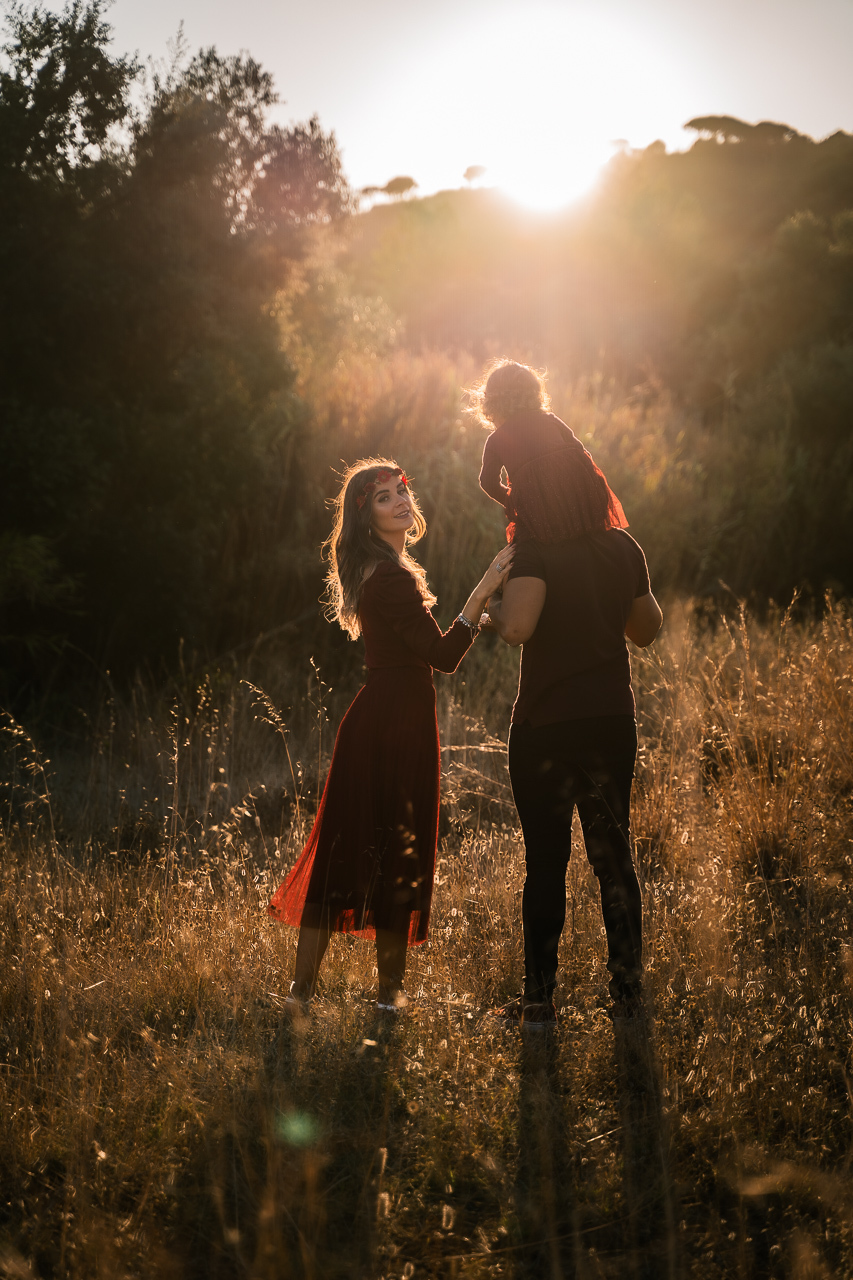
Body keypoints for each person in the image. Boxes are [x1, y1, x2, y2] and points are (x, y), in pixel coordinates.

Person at [268, 458, 514, 1014]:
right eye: (383, 498)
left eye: (401, 490)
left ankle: (308, 995)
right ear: (366, 517)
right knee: (390, 853)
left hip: (383, 719)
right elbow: (445, 655)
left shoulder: (386, 571)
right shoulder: (394, 578)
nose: (401, 501)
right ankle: (378, 998)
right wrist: (483, 590)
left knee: (349, 851)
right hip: (393, 726)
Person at [475, 364, 663, 1028]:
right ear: (587, 478)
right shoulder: (620, 548)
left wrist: (490, 612)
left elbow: (519, 627)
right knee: (614, 859)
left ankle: (538, 1004)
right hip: (610, 722)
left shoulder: (532, 553)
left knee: (546, 864)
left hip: (546, 727)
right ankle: (628, 998)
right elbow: (646, 632)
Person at [474, 358, 628, 543]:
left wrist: (512, 500)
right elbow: (581, 453)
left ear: (491, 403)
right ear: (534, 395)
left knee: (525, 548)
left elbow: (487, 482)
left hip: (538, 510)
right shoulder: (551, 420)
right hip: (583, 497)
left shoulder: (496, 439)